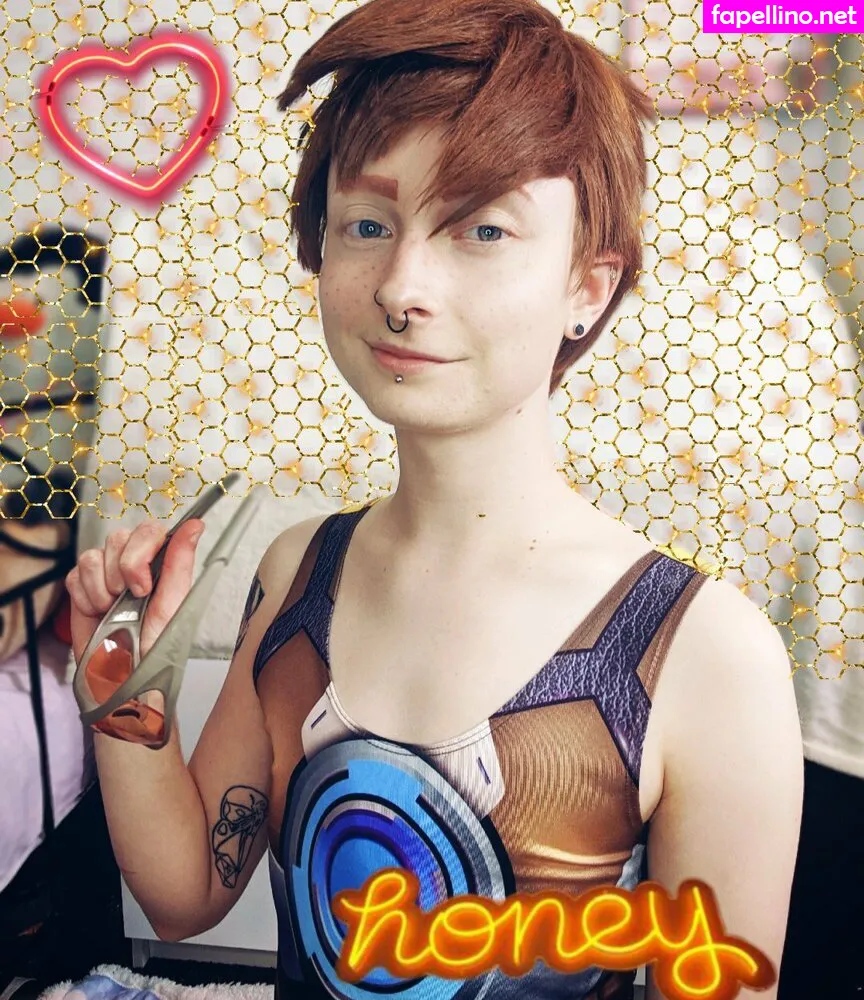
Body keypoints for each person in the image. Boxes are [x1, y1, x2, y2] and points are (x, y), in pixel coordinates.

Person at [64, 1, 804, 997]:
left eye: (482, 229)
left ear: (588, 287)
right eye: (368, 225)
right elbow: (187, 893)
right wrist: (125, 695)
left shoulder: (707, 654)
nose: (402, 286)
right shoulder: (297, 570)